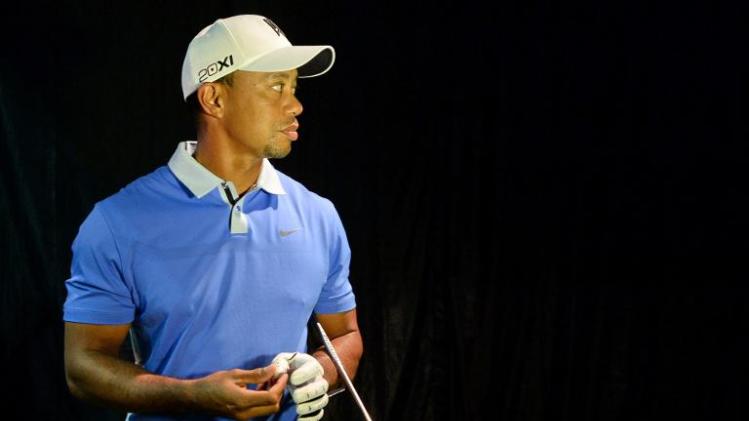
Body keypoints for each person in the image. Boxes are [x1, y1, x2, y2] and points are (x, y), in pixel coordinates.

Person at [63, 14, 363, 421]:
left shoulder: (319, 215)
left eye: (293, 87)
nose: (295, 105)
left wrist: (320, 373)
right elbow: (83, 367)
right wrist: (192, 396)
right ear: (214, 99)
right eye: (276, 86)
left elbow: (345, 334)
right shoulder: (118, 222)